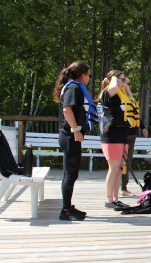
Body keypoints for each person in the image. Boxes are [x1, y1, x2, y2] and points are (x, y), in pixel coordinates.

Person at [53, 61, 93, 220]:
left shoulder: (73, 87)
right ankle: (65, 210)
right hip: (70, 136)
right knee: (71, 174)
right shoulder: (74, 88)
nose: (89, 78)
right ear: (83, 75)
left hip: (69, 136)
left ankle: (68, 206)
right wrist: (76, 130)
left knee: (70, 173)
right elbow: (67, 109)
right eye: (89, 75)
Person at [99, 70, 133, 210]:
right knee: (113, 169)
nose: (125, 83)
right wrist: (113, 78)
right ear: (113, 79)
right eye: (122, 80)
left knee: (119, 168)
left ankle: (115, 199)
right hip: (111, 137)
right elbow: (113, 87)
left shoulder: (122, 94)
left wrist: (123, 85)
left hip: (122, 136)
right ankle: (109, 200)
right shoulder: (108, 93)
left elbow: (130, 100)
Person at [119, 77, 148, 197]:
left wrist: (142, 127)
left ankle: (123, 188)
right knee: (120, 162)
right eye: (126, 83)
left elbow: (134, 114)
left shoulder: (130, 99)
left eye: (129, 84)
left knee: (127, 162)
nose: (129, 86)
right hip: (122, 134)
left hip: (132, 134)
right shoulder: (119, 97)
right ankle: (120, 188)